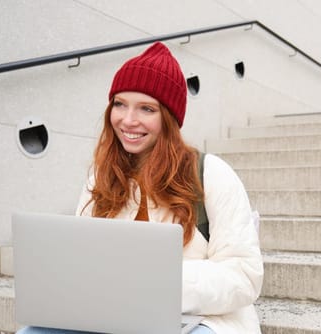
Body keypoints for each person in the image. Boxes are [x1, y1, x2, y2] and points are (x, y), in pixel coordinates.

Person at [19, 42, 264, 333]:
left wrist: (155, 283)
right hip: (113, 313)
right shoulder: (100, 176)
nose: (128, 120)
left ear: (169, 118)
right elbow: (84, 260)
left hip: (196, 319)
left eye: (146, 108)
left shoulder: (211, 173)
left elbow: (244, 275)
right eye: (120, 104)